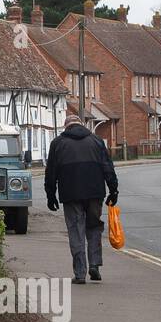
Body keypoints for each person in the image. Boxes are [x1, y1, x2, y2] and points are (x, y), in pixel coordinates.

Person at [44, 114, 119, 284]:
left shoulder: (57, 144)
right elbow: (108, 167)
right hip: (95, 193)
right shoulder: (97, 141)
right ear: (82, 125)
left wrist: (50, 195)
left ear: (66, 126)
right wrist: (113, 190)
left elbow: (51, 173)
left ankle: (80, 273)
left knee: (75, 230)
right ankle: (94, 264)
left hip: (70, 194)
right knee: (94, 227)